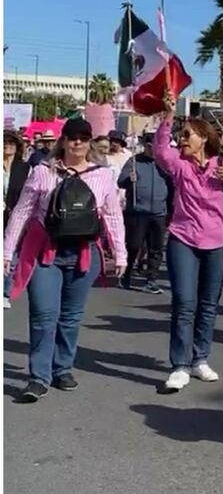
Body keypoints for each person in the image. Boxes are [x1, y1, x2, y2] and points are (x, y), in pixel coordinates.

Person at [3, 118, 127, 402]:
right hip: (46, 252)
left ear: (90, 141)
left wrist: (120, 253)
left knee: (70, 317)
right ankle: (38, 377)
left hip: (83, 253)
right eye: (72, 137)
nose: (78, 142)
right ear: (63, 139)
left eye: (84, 137)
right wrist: (7, 252)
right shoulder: (42, 172)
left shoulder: (103, 175)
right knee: (43, 315)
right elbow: (22, 212)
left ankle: (62, 368)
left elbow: (112, 216)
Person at [155, 102, 223, 392]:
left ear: (204, 138)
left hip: (215, 243)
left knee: (208, 305)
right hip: (183, 239)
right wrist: (168, 115)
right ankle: (180, 365)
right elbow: (160, 151)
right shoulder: (179, 166)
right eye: (181, 134)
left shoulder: (222, 165)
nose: (182, 139)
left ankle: (200, 359)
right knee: (184, 302)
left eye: (188, 134)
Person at [118, 133, 172, 294]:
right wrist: (129, 179)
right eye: (150, 147)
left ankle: (151, 280)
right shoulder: (134, 161)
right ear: (145, 146)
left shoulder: (165, 164)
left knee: (156, 248)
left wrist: (171, 209)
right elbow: (120, 182)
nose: (153, 150)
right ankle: (126, 274)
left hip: (159, 212)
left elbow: (173, 187)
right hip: (137, 211)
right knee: (134, 245)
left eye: (156, 147)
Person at [4, 131, 30, 309]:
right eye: (4, 143)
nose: (8, 146)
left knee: (10, 256)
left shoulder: (24, 168)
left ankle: (4, 292)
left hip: (14, 216)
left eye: (12, 143)